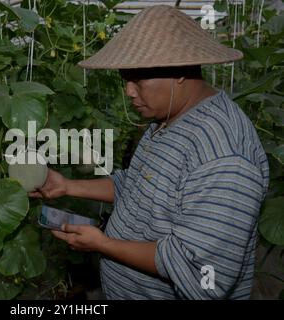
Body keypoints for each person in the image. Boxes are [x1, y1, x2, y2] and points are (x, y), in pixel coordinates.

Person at [29, 5, 270, 299]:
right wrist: (66, 186)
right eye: (124, 79)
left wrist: (103, 244)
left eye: (138, 79)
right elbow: (138, 187)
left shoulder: (223, 157)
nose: (129, 91)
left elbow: (206, 277)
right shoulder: (167, 118)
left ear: (179, 71)